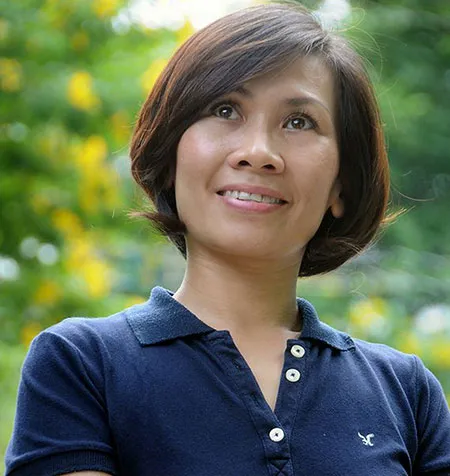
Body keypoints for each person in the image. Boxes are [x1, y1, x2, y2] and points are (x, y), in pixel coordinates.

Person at [5, 2, 450, 475]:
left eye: (299, 121)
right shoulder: (81, 363)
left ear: (341, 185)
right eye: (225, 110)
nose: (258, 152)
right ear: (171, 155)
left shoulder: (407, 392)